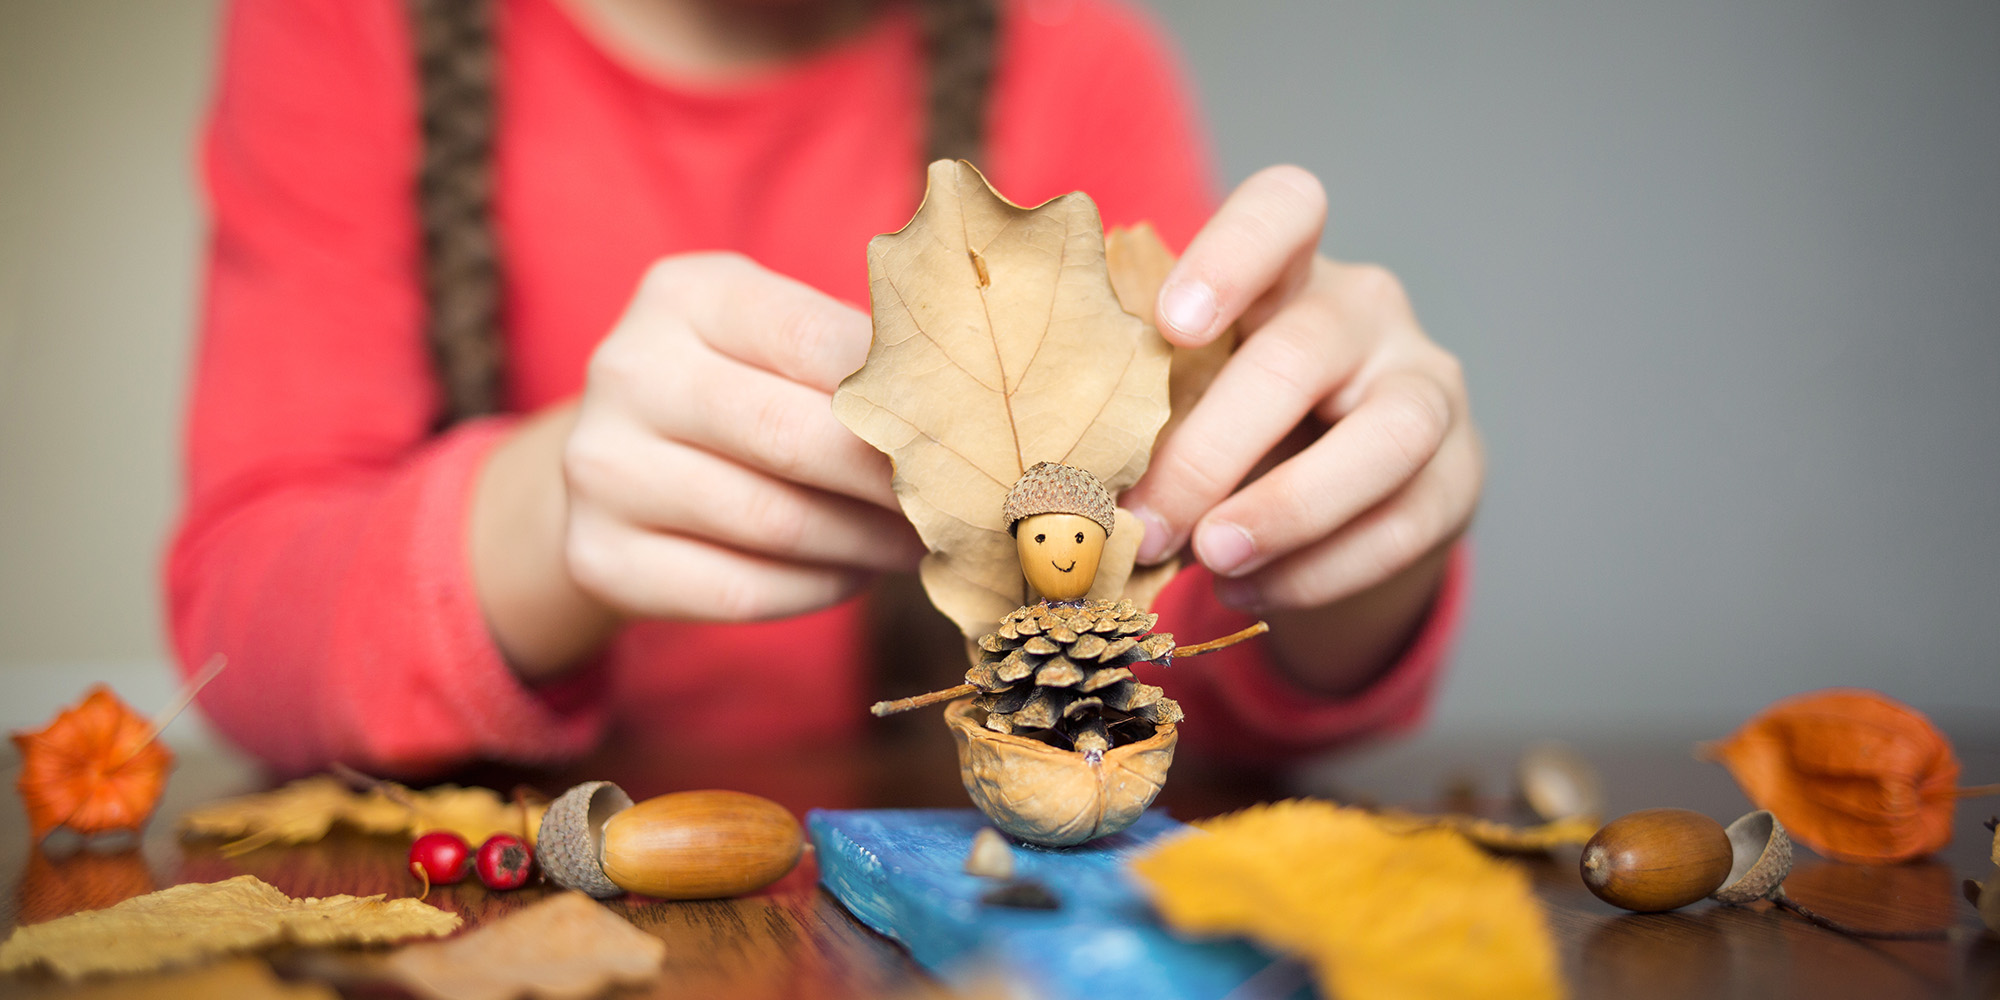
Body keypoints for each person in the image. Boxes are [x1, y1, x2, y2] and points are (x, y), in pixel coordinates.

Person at [171, 0, 1482, 776]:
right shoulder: (341, 32)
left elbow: (1179, 648)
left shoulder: (1081, 57)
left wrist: (1332, 537)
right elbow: (242, 620)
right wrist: (539, 524)